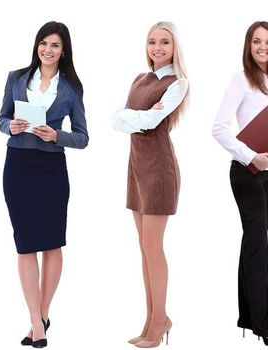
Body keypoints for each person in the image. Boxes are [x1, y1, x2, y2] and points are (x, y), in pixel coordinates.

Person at [0, 21, 88, 349]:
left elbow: (83, 137)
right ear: (37, 46)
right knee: (25, 245)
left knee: (51, 243)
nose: (47, 50)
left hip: (51, 169)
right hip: (18, 167)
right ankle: (34, 319)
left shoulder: (71, 89)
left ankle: (43, 314)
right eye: (43, 43)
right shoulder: (16, 78)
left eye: (55, 46)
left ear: (64, 52)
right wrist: (12, 127)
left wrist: (57, 135)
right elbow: (0, 118)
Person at [211, 21, 268, 348]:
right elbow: (218, 128)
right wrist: (250, 156)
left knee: (253, 242)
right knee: (259, 245)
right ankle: (265, 326)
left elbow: (266, 126)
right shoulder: (241, 79)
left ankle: (248, 317)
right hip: (246, 174)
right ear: (248, 45)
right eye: (257, 42)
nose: (262, 47)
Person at [110, 21, 189, 349]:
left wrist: (134, 116)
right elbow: (116, 119)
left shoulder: (178, 82)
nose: (157, 48)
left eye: (164, 43)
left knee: (153, 247)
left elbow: (151, 121)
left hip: (158, 171)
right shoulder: (139, 79)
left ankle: (160, 319)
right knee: (143, 248)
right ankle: (151, 318)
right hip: (136, 169)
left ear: (174, 48)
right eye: (152, 42)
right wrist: (135, 116)